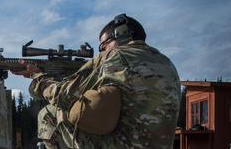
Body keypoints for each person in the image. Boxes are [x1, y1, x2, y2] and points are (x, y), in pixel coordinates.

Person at [13, 14, 181, 149]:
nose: (102, 51)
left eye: (103, 45)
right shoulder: (167, 64)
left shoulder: (117, 56)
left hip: (123, 145)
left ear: (120, 35)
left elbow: (66, 95)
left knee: (48, 114)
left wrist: (38, 78)